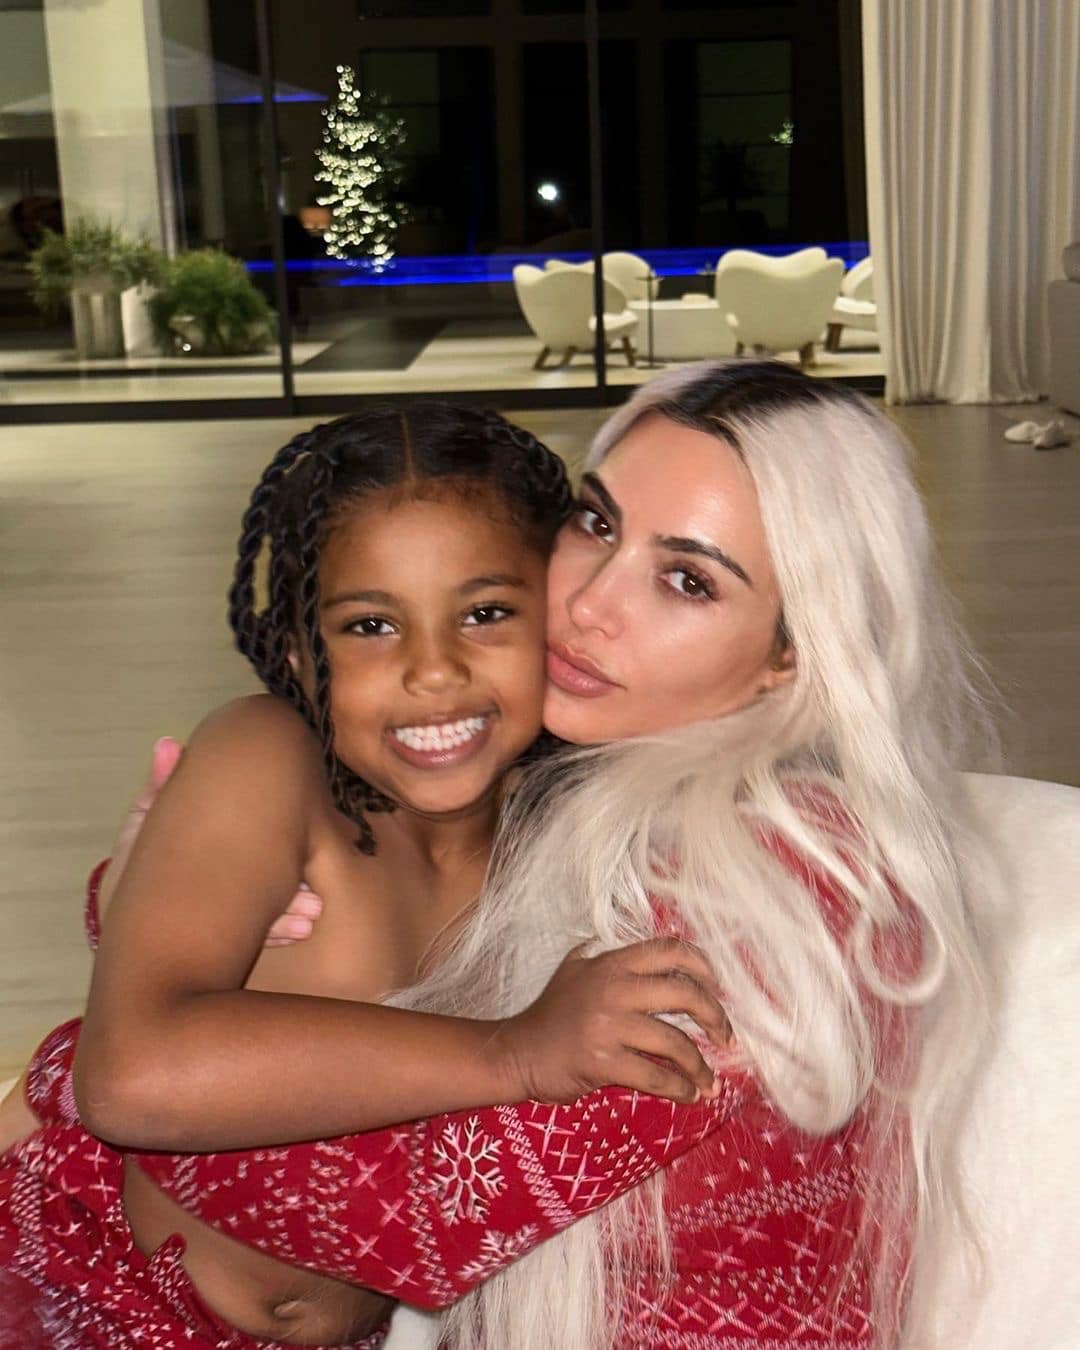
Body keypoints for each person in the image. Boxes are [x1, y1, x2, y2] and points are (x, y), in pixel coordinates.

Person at [7, 361, 992, 1349]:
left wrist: (120, 1029)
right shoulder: (519, 784)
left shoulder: (763, 886)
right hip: (94, 1292)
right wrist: (169, 905)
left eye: (687, 579)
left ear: (796, 647)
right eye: (597, 525)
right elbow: (142, 1073)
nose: (592, 605)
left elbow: (389, 1188)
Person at [0, 403, 728, 1349]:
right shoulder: (269, 761)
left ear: (555, 625)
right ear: (300, 657)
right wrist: (511, 1054)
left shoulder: (563, 819)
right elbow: (133, 1075)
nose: (434, 671)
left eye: (485, 613)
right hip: (100, 1303)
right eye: (372, 625)